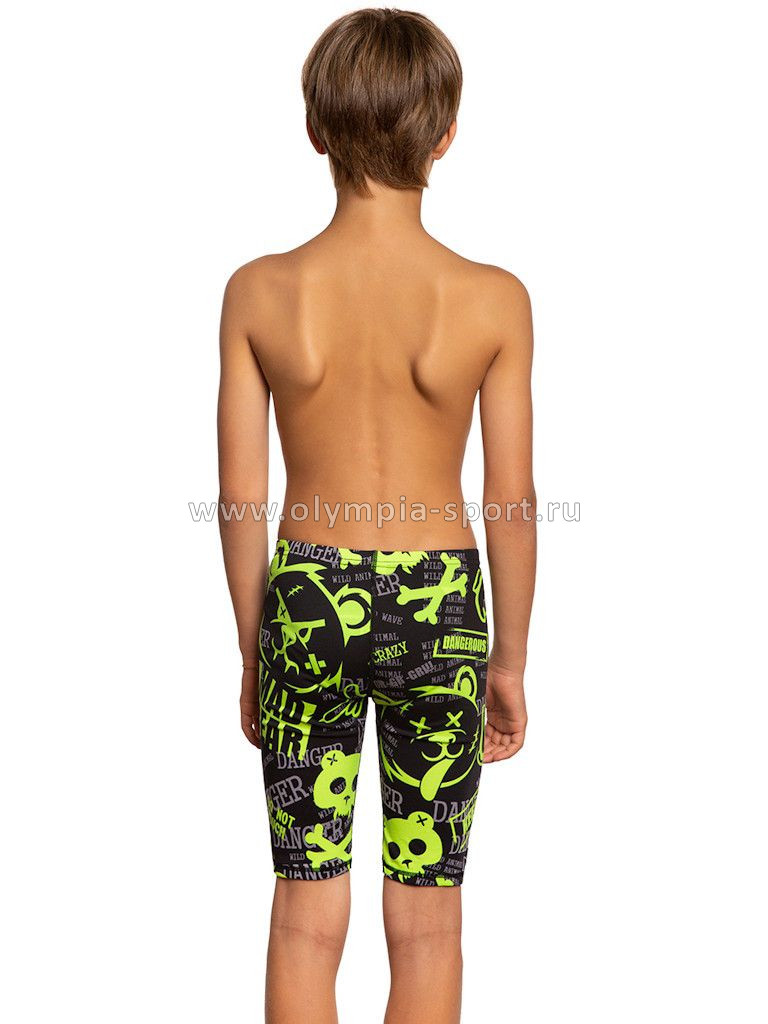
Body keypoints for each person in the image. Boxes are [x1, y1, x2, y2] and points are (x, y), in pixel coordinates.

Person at [218, 9, 535, 1023]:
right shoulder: (491, 299)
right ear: (446, 133)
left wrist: (255, 648)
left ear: (315, 128)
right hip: (442, 609)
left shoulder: (261, 292)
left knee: (303, 917)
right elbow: (512, 501)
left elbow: (241, 497)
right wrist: (509, 660)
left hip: (307, 597)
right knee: (429, 922)